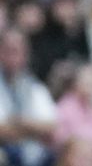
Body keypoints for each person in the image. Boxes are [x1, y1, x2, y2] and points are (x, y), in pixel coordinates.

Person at [0, 28, 56, 166]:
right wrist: (33, 130)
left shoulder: (34, 85)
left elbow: (51, 126)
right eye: (9, 50)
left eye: (19, 51)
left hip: (35, 153)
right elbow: (2, 130)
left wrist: (19, 121)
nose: (15, 56)